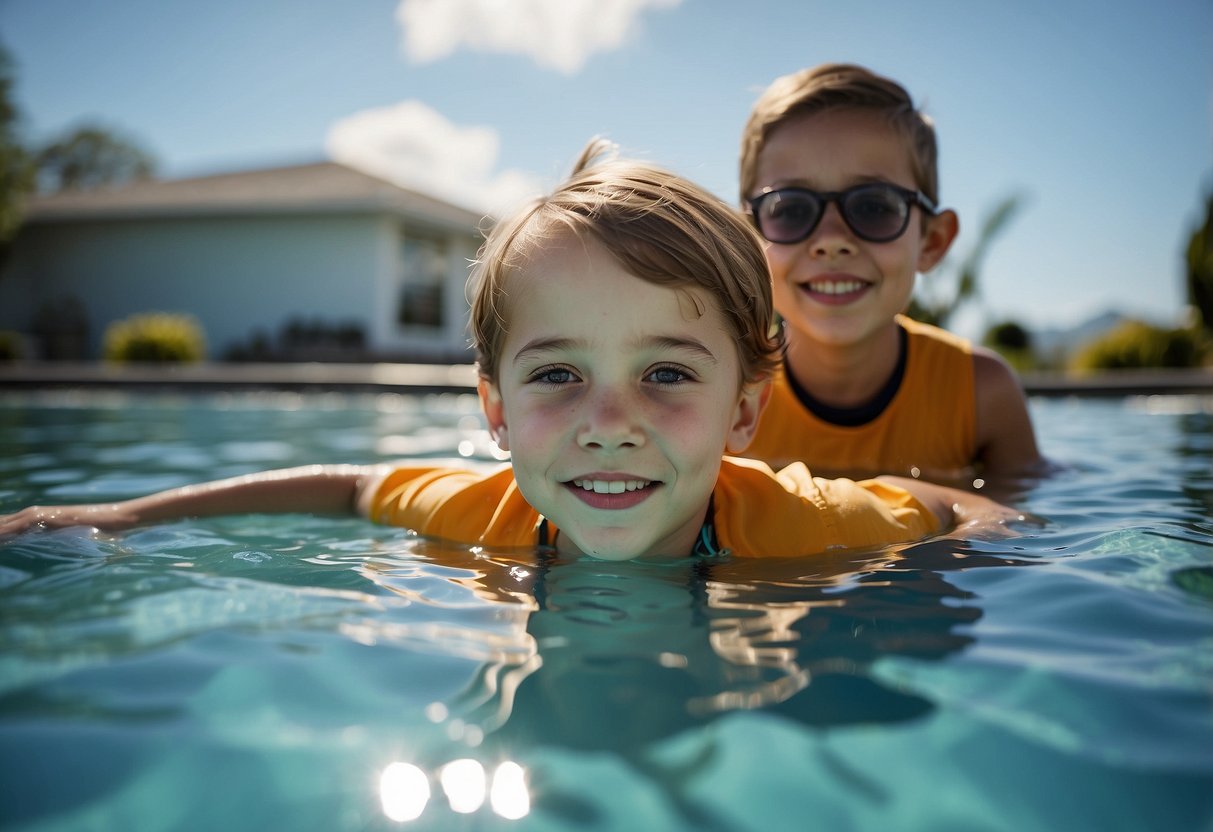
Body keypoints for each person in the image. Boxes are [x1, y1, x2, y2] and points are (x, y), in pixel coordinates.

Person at [0, 139, 1021, 560]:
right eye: (557, 375)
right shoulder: (477, 513)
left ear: (745, 410)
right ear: (493, 410)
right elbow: (344, 485)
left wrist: (985, 549)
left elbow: (952, 504)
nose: (607, 425)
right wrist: (127, 513)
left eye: (665, 373)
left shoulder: (801, 523)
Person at [737, 63, 1045, 480]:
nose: (832, 239)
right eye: (790, 210)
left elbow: (1020, 522)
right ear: (748, 241)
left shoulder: (979, 393)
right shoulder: (726, 395)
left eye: (874, 207)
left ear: (932, 242)